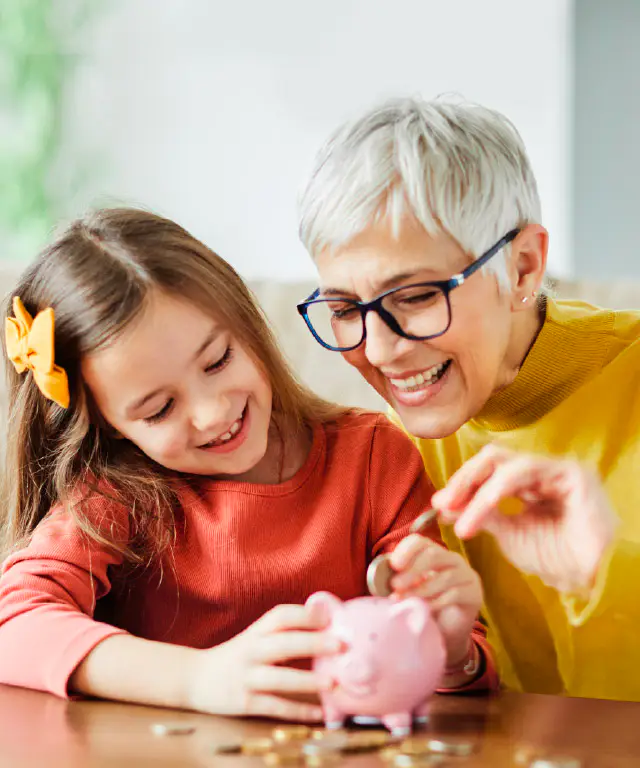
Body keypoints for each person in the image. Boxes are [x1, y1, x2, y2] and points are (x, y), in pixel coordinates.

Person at [0, 208, 496, 720]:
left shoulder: (373, 459)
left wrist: (452, 647)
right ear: (108, 425)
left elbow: (450, 680)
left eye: (217, 360)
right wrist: (198, 680)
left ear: (247, 326)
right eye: (159, 409)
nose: (213, 412)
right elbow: (14, 623)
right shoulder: (115, 496)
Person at [296, 96, 640, 701]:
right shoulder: (387, 447)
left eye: (417, 297)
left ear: (525, 268)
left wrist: (604, 573)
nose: (378, 351)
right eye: (346, 309)